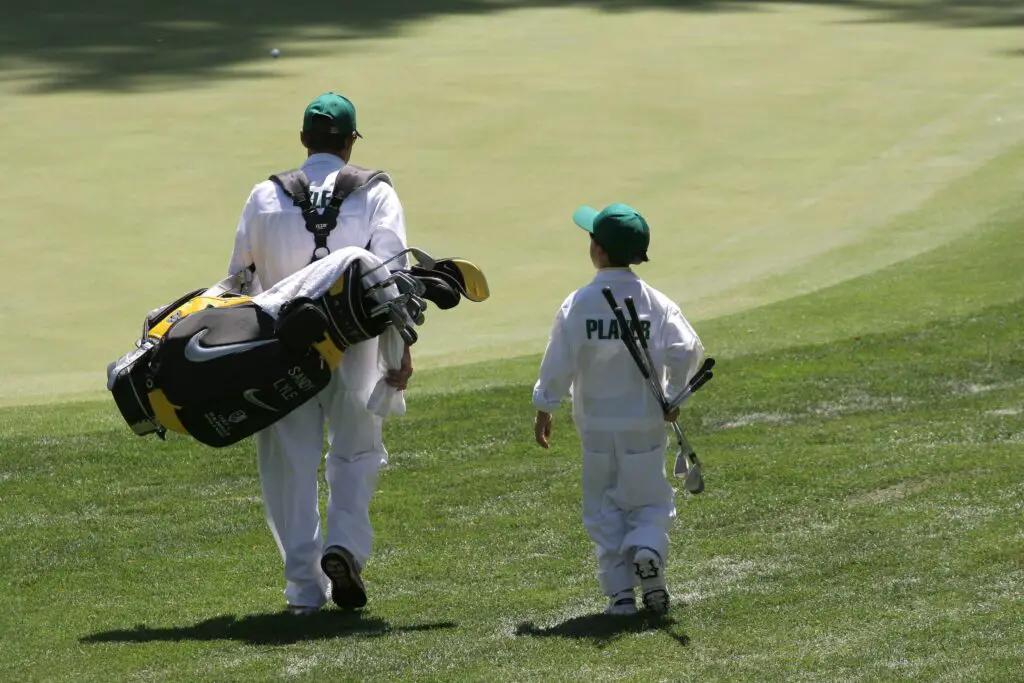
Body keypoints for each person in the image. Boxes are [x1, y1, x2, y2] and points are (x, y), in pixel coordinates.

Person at [227, 92, 414, 615]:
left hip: (280, 350)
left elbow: (239, 281)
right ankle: (344, 548)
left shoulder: (264, 195)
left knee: (290, 466)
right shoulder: (377, 193)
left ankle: (304, 591)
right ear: (350, 142)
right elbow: (390, 279)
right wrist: (398, 354)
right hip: (357, 350)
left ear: (305, 140)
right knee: (356, 454)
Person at [531, 203, 705, 616]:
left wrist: (544, 406)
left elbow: (559, 361)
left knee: (603, 508)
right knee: (649, 501)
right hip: (642, 421)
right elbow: (687, 349)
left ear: (599, 251)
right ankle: (648, 551)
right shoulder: (656, 302)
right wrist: (672, 396)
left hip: (595, 427)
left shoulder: (579, 302)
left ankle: (621, 595)